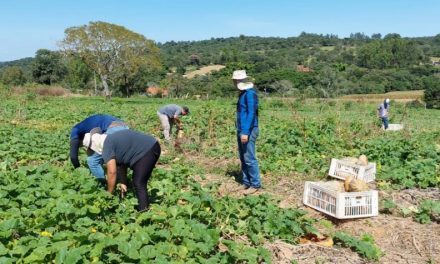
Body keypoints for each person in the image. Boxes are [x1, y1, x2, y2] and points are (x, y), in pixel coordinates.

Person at [83, 129, 161, 212]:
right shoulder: (110, 139)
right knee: (138, 180)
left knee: (139, 182)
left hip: (147, 149)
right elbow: (121, 164)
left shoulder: (107, 146)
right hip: (152, 145)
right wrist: (123, 182)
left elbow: (112, 172)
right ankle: (143, 208)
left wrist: (109, 193)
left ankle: (144, 211)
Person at [70, 114, 129, 185]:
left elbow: (73, 156)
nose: (82, 146)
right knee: (116, 158)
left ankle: (102, 185)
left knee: (93, 161)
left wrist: (78, 169)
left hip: (113, 129)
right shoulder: (86, 127)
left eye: (80, 145)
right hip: (125, 127)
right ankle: (122, 183)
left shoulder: (75, 130)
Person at [232, 70, 261, 195]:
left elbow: (251, 114)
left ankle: (255, 184)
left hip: (248, 130)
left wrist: (245, 132)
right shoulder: (242, 93)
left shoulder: (250, 94)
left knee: (249, 158)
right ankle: (246, 182)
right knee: (243, 157)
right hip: (241, 129)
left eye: (235, 80)